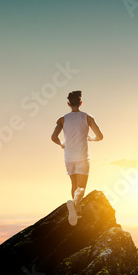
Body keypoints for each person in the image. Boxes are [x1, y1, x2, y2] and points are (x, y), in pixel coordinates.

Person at [51, 90, 103, 225]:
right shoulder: (87, 117)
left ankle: (77, 210)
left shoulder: (62, 119)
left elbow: (53, 137)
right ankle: (76, 204)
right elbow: (100, 136)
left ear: (68, 103)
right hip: (82, 157)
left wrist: (62, 143)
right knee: (81, 187)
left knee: (73, 184)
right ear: (80, 103)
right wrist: (91, 138)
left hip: (69, 157)